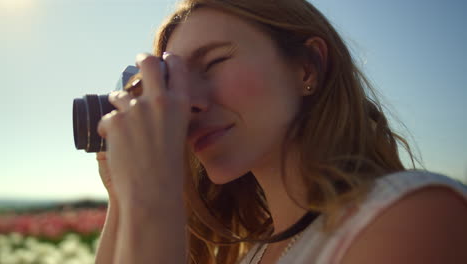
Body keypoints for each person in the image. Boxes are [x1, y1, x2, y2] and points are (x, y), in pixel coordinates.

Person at [94, 0, 467, 263]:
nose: (187, 103)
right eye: (175, 83)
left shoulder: (414, 216)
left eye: (214, 63)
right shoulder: (257, 252)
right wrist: (123, 197)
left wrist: (154, 197)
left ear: (307, 68)